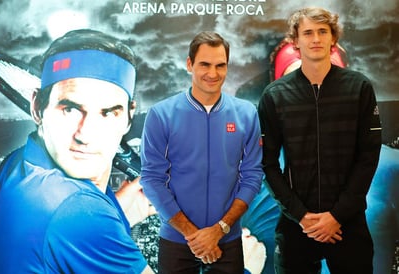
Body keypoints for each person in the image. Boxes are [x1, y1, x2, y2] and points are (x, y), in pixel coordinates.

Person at [0, 29, 154, 274]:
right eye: (70, 109)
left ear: (129, 117)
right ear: (37, 108)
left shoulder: (15, 164)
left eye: (108, 113)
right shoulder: (81, 213)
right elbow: (74, 220)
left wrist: (115, 212)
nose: (85, 135)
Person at [258, 7, 382, 274]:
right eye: (308, 32)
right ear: (296, 41)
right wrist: (301, 216)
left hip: (348, 223)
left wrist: (337, 216)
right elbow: (266, 164)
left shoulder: (359, 88)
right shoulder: (274, 95)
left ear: (333, 39)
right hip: (296, 224)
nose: (315, 38)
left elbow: (368, 158)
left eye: (322, 32)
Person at [140, 31, 263, 273]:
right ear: (189, 64)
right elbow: (152, 179)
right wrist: (193, 235)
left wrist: (220, 229)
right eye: (204, 64)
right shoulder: (161, 114)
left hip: (227, 240)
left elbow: (252, 176)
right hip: (177, 240)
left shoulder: (246, 114)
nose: (213, 73)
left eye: (220, 65)